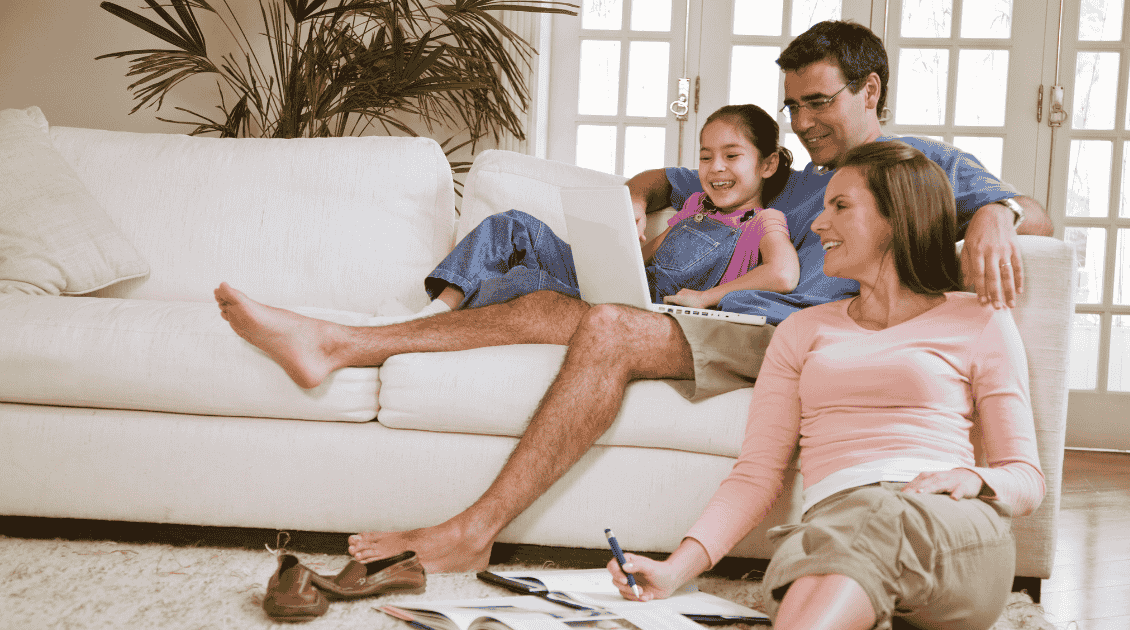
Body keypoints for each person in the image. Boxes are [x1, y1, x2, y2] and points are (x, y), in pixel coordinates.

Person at [212, 19, 1052, 573]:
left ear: (871, 92)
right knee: (548, 308)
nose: (800, 120)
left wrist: (999, 218)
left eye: (819, 101)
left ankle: (473, 529)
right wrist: (633, 205)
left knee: (610, 327)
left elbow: (1034, 210)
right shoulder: (792, 176)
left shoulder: (918, 162)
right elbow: (676, 175)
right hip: (721, 319)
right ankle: (341, 342)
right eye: (792, 105)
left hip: (789, 335)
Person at [606, 140, 1044, 630]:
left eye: (840, 206)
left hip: (950, 529)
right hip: (833, 531)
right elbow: (756, 475)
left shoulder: (978, 318)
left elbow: (1026, 479)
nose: (816, 223)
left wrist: (975, 479)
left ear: (897, 218)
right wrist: (673, 570)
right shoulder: (801, 330)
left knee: (873, 517)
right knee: (831, 546)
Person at [422, 104, 800, 313]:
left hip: (645, 306)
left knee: (527, 284)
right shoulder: (694, 206)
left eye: (731, 156)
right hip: (613, 282)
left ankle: (449, 317)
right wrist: (616, 245)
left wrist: (703, 298)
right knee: (511, 224)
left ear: (766, 165)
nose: (716, 167)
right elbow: (643, 260)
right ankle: (439, 310)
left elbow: (782, 274)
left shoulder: (764, 221)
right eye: (706, 157)